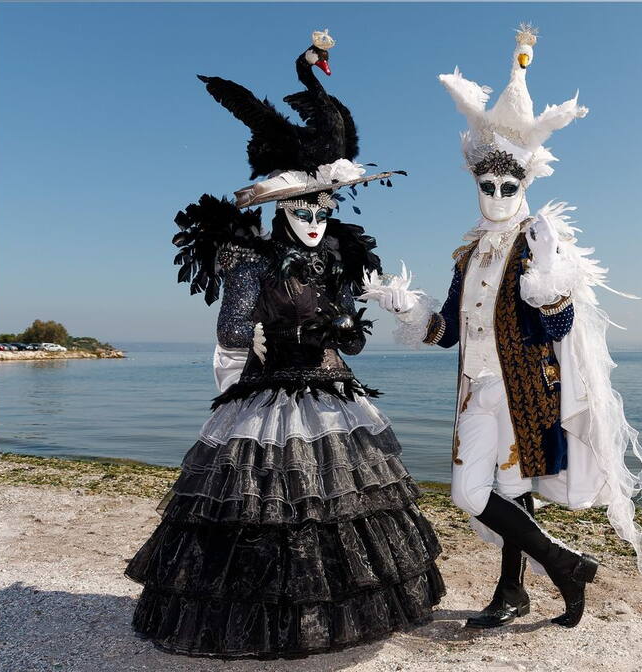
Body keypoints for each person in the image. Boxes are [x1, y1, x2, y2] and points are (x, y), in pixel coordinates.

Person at [125, 30, 444, 658]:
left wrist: (349, 329)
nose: (315, 222)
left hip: (335, 398)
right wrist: (264, 338)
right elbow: (232, 332)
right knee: (267, 507)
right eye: (303, 212)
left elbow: (351, 341)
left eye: (323, 212)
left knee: (342, 510)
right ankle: (262, 621)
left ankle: (336, 617)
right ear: (280, 212)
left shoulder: (334, 261)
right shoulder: (253, 260)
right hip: (269, 400)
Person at [360, 24, 642, 631]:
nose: (496, 193)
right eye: (486, 184)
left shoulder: (539, 240)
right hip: (474, 389)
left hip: (525, 390)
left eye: (507, 184)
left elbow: (562, 324)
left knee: (513, 488)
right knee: (471, 494)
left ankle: (513, 592)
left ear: (524, 183)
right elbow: (449, 330)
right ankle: (564, 564)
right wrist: (410, 311)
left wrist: (550, 292)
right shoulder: (468, 253)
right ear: (474, 182)